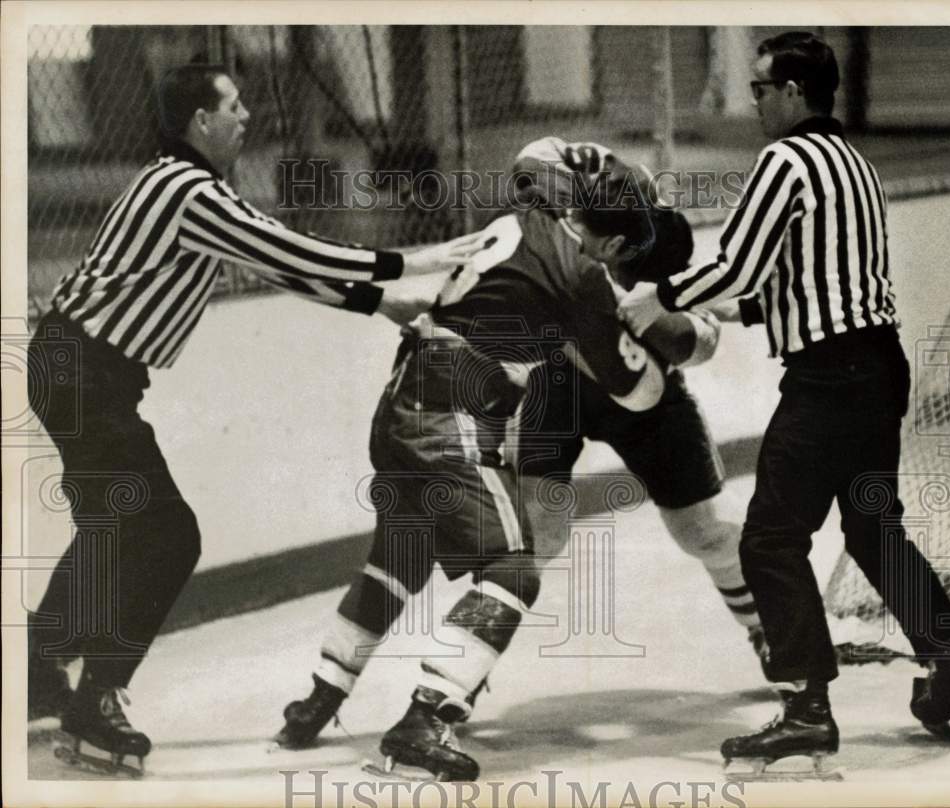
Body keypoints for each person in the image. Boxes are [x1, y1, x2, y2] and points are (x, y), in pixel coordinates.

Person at [26, 62, 480, 774]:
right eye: (232, 105)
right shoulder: (186, 191)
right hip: (83, 375)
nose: (246, 116)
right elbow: (291, 247)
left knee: (110, 527)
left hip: (72, 369)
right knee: (168, 536)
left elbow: (273, 264)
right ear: (200, 122)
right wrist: (408, 261)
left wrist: (375, 302)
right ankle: (96, 703)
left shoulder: (182, 185)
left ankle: (36, 669)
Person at [618, 32, 950, 776]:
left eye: (759, 89)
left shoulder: (786, 161)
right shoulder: (854, 164)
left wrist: (659, 298)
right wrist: (720, 318)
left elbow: (740, 262)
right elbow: (796, 286)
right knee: (875, 532)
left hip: (829, 383)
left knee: (769, 540)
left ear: (793, 94)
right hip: (878, 369)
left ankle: (806, 707)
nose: (751, 101)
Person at [274, 149, 671, 781]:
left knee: (400, 553)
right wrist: (661, 345)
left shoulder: (519, 219)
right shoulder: (581, 275)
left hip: (403, 397)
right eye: (618, 255)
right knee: (514, 570)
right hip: (451, 411)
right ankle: (424, 720)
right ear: (616, 239)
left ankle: (319, 697)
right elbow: (637, 392)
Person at [506, 139, 765, 655]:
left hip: (647, 401)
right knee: (540, 535)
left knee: (704, 532)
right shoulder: (570, 219)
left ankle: (772, 629)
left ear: (619, 246)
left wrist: (630, 309)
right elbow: (531, 165)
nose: (574, 229)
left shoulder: (667, 270)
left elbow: (696, 344)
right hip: (559, 386)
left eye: (588, 225)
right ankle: (463, 663)